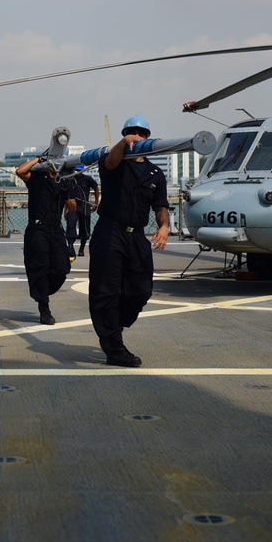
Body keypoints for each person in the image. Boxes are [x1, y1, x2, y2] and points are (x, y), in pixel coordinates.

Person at [88, 115, 169, 367]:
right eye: (132, 132)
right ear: (125, 135)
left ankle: (113, 327)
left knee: (141, 290)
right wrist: (124, 144)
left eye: (141, 133)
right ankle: (113, 343)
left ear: (147, 136)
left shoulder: (156, 173)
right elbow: (112, 160)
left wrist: (165, 225)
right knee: (107, 289)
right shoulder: (113, 162)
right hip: (110, 232)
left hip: (137, 237)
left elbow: (160, 206)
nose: (137, 136)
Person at [16, 152, 76, 324]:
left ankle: (42, 290)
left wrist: (66, 196)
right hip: (37, 228)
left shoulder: (65, 180)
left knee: (61, 267)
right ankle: (44, 307)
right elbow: (20, 172)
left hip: (56, 229)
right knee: (40, 266)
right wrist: (38, 160)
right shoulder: (37, 176)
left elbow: (72, 207)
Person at [63, 166, 99, 259]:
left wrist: (96, 203)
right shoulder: (70, 179)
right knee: (71, 225)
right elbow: (66, 195)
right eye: (76, 170)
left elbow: (96, 188)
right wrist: (65, 210)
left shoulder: (88, 179)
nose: (77, 172)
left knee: (85, 227)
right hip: (73, 206)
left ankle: (82, 248)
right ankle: (70, 246)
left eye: (79, 171)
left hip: (84, 205)